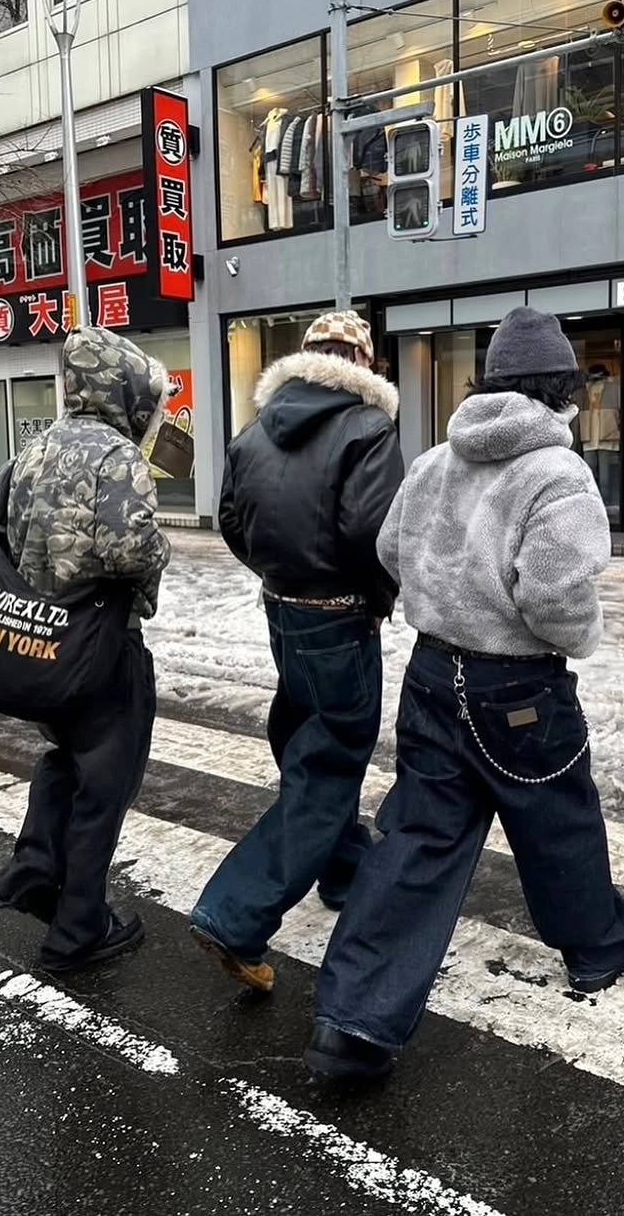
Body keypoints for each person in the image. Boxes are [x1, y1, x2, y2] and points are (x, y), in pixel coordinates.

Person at [307, 307, 624, 1079]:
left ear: (490, 384)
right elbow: (557, 595)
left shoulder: (434, 461)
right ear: (563, 389)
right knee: (558, 820)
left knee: (419, 838)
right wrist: (578, 635)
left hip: (431, 674)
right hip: (518, 685)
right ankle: (597, 948)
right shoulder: (557, 473)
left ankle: (352, 1021)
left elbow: (390, 548)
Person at [190, 309, 404, 991]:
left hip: (283, 610)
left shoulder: (256, 430)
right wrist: (376, 597)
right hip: (340, 617)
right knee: (332, 760)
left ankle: (343, 869)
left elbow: (230, 518)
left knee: (307, 735)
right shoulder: (369, 427)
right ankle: (236, 911)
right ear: (362, 363)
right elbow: (375, 532)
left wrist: (275, 573)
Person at [0, 325, 171, 974]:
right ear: (125, 389)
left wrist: (37, 576)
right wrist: (149, 568)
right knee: (107, 783)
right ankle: (79, 927)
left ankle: (35, 860)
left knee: (65, 755)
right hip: (102, 650)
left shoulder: (31, 449)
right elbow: (133, 547)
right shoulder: (118, 456)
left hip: (38, 644)